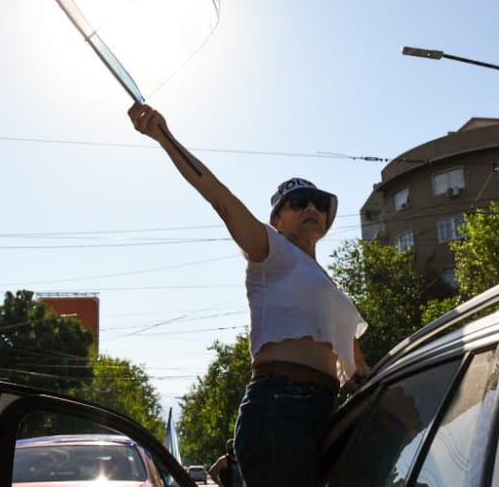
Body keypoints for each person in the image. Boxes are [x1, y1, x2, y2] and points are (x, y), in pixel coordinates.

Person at [128, 103, 369, 487]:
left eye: (320, 204)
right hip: (280, 409)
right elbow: (220, 198)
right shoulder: (271, 252)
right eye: (299, 202)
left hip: (323, 412)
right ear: (276, 219)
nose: (312, 208)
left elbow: (357, 369)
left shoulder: (329, 287)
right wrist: (164, 137)